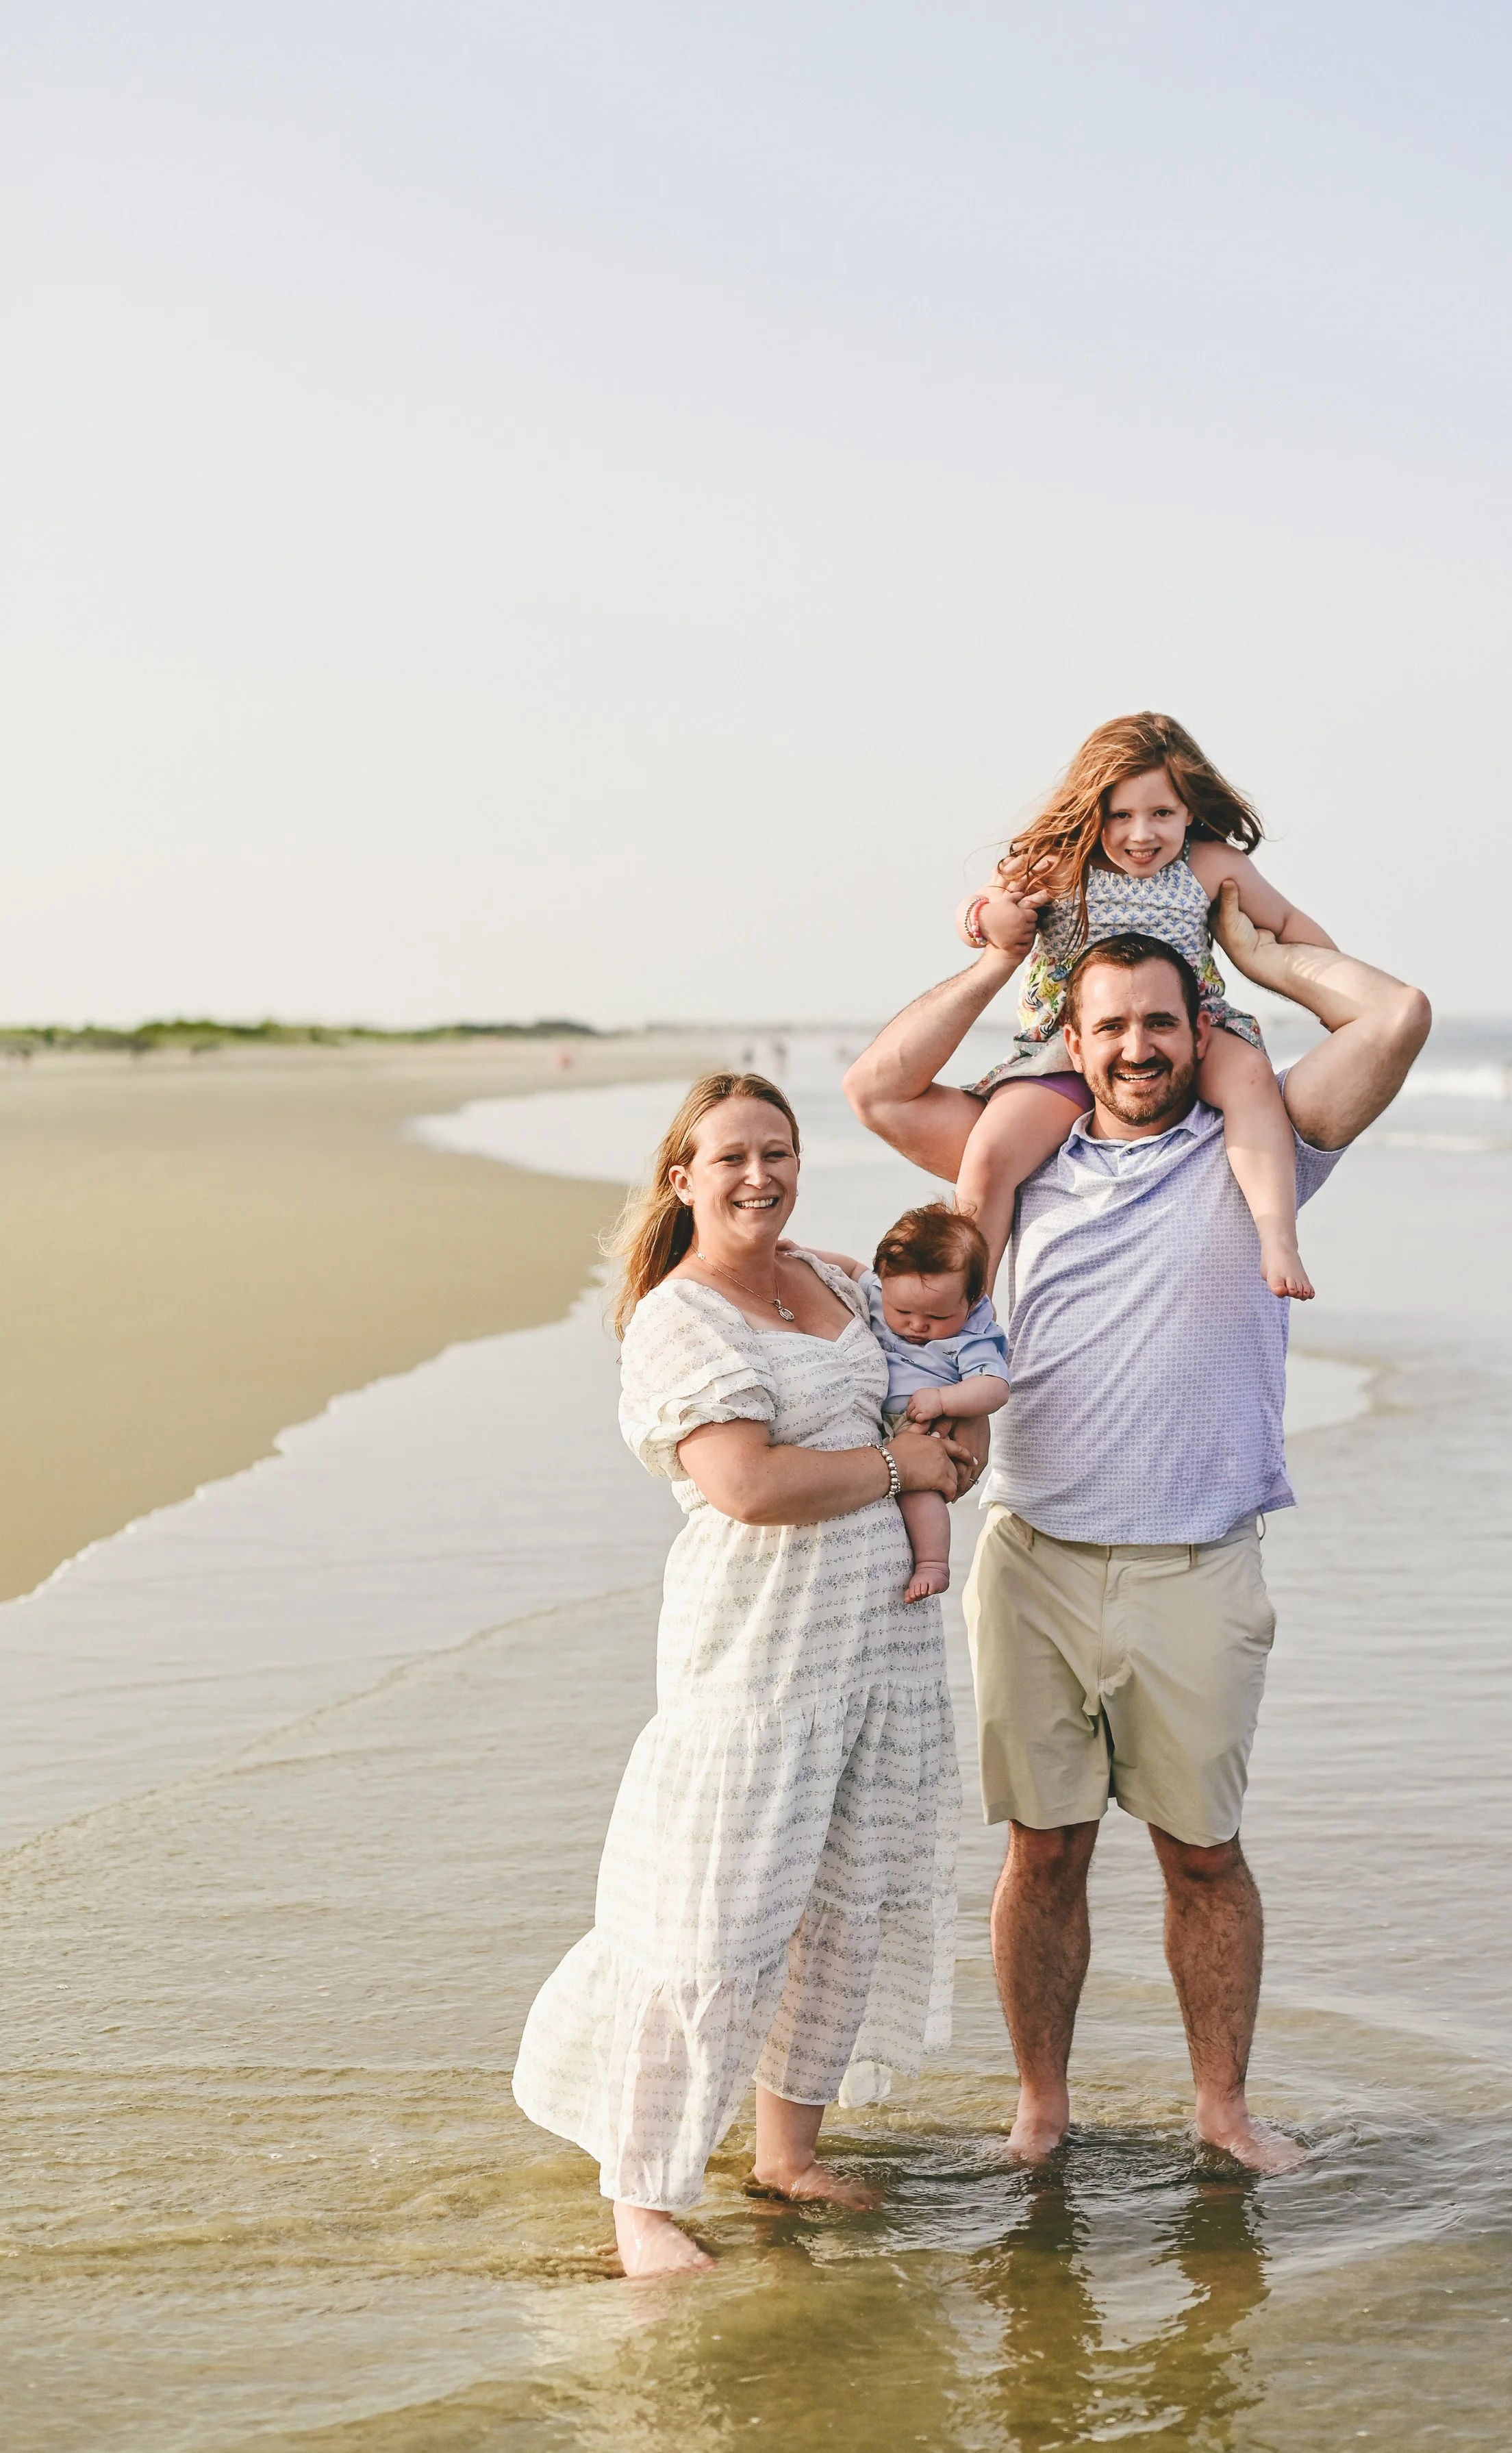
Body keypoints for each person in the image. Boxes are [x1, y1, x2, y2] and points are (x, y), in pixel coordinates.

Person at [844, 893, 1430, 2172]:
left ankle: (1223, 2110)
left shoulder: (1261, 1142)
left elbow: (1393, 1014)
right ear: (1075, 1036)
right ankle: (1039, 2111)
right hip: (1034, 1559)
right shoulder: (1021, 1149)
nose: (1137, 1047)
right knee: (1039, 1852)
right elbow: (882, 1086)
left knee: (1203, 1856)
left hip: (1198, 1565)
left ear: (1196, 1026)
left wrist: (1265, 951)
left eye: (1161, 1021)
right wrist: (1002, 957)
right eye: (1110, 1026)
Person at [512, 1073, 974, 2276]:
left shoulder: (836, 1278)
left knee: (843, 1905)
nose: (760, 1175)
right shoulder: (680, 1317)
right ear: (683, 1178)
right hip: (759, 1654)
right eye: (732, 1158)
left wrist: (950, 1454)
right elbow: (751, 1486)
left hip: (883, 1644)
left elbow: (942, 1367)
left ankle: (786, 2152)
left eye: (779, 1150)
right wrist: (897, 1466)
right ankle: (645, 2198)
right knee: (713, 1919)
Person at [952, 710, 1337, 1300]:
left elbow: (1285, 923)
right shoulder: (1057, 866)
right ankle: (970, 1311)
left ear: (1190, 809)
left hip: (1189, 1029)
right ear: (1092, 811)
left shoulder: (1211, 867)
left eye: (1162, 813)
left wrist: (1335, 989)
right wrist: (991, 918)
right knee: (989, 1153)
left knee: (1254, 1083)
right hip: (1066, 1043)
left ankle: (1277, 1235)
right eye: (1121, 815)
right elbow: (973, 909)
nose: (1142, 834)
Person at [805, 1201, 1011, 1604]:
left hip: (922, 1423)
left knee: (920, 1491)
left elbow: (994, 1387)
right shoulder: (882, 1290)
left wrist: (944, 1398)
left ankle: (934, 1563)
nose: (917, 1326)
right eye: (904, 1312)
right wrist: (801, 1256)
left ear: (970, 1303)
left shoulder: (971, 1334)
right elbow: (847, 1269)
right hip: (871, 1420)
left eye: (936, 1316)